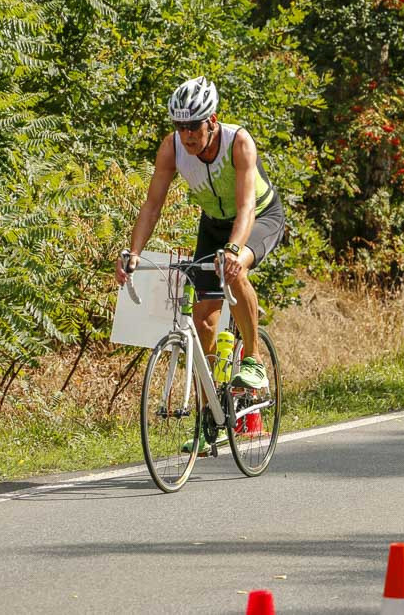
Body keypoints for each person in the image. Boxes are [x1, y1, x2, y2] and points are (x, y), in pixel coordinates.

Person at [114, 76, 285, 411]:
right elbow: (152, 206)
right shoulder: (172, 148)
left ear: (212, 121)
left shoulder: (238, 142)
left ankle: (254, 361)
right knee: (203, 321)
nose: (187, 134)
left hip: (259, 217)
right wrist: (133, 253)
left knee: (234, 271)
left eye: (193, 126)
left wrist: (233, 251)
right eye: (180, 126)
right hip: (214, 225)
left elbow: (246, 207)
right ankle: (212, 411)